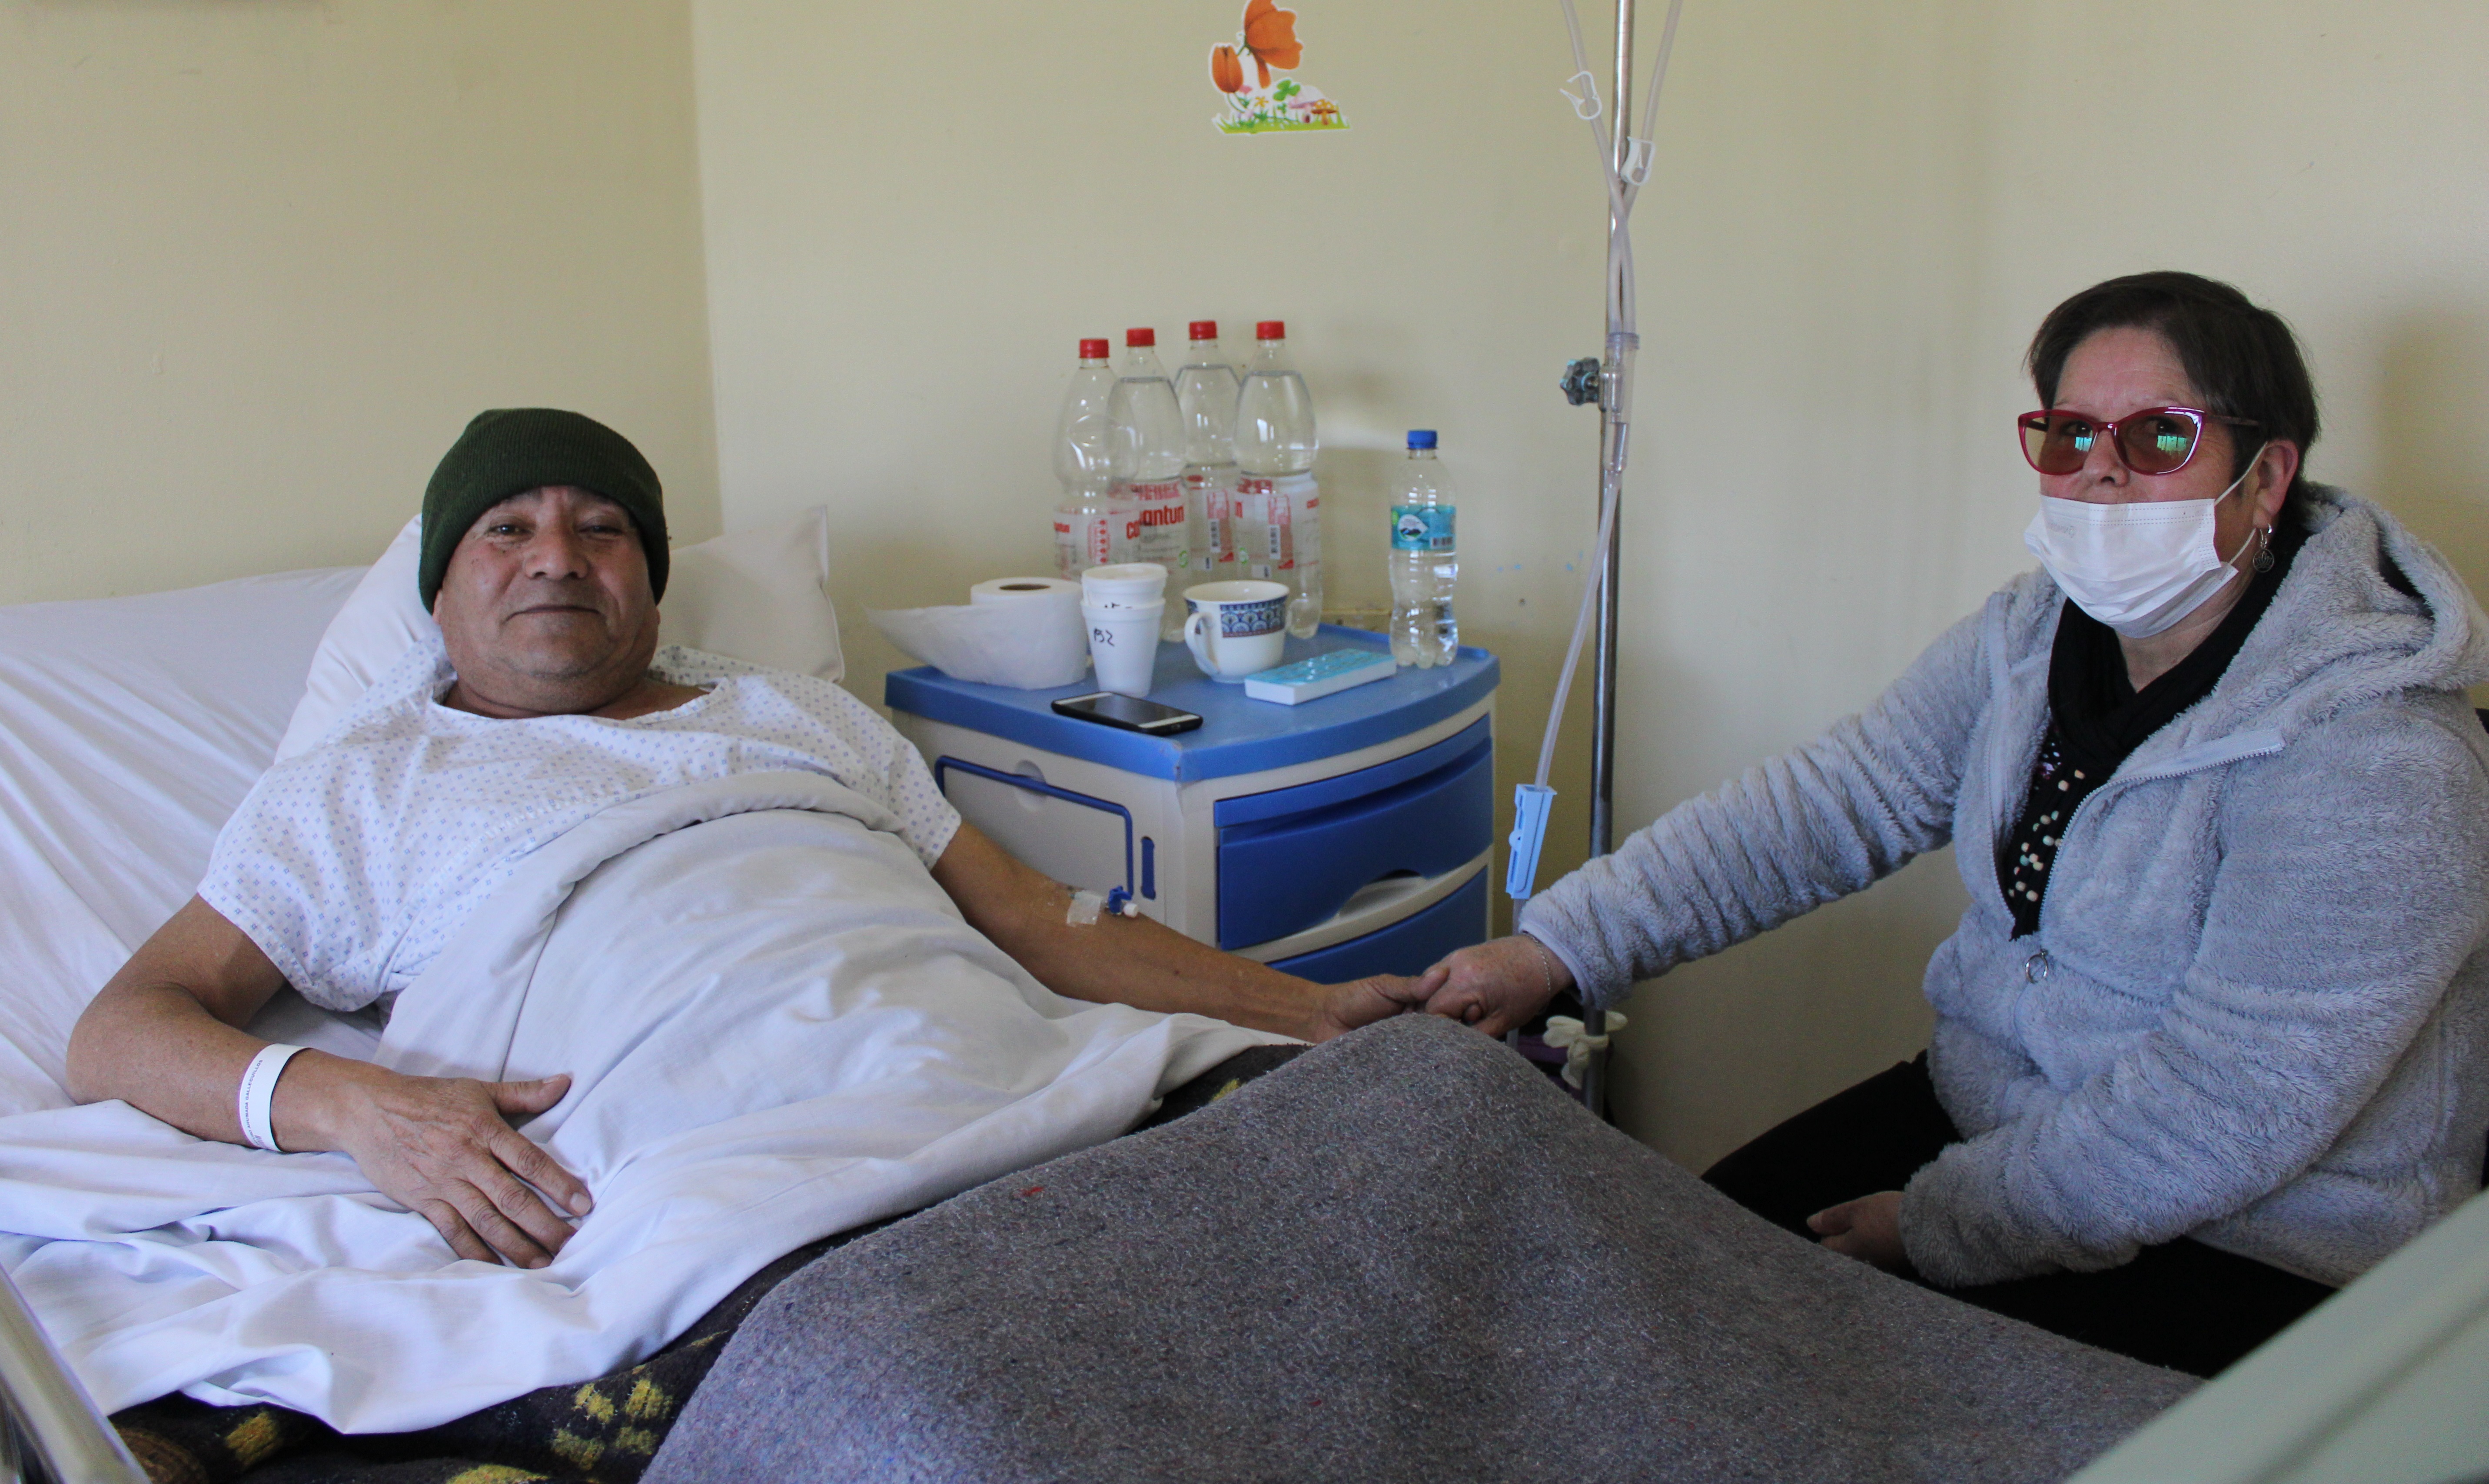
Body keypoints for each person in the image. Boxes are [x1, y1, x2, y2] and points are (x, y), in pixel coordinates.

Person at [1403, 272, 2489, 1375]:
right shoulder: (2029, 638)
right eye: (2067, 434)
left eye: (2159, 436)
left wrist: (1941, 1226)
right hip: (1990, 1111)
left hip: (2262, 1232)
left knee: (1803, 1386)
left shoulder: (2380, 752)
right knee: (1664, 1286)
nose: (2101, 470)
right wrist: (1558, 946)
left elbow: (2226, 1107)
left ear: (2264, 478)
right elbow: (1827, 805)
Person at [65, 406, 1405, 1273]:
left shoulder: (794, 713)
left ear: (650, 584)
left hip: (1014, 1079)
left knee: (1432, 1137)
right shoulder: (364, 783)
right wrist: (353, 1106)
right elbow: (122, 1031)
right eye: (506, 530)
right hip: (742, 1170)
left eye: (601, 530)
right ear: (441, 594)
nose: (556, 557)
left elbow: (1034, 916)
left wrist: (1316, 1011)